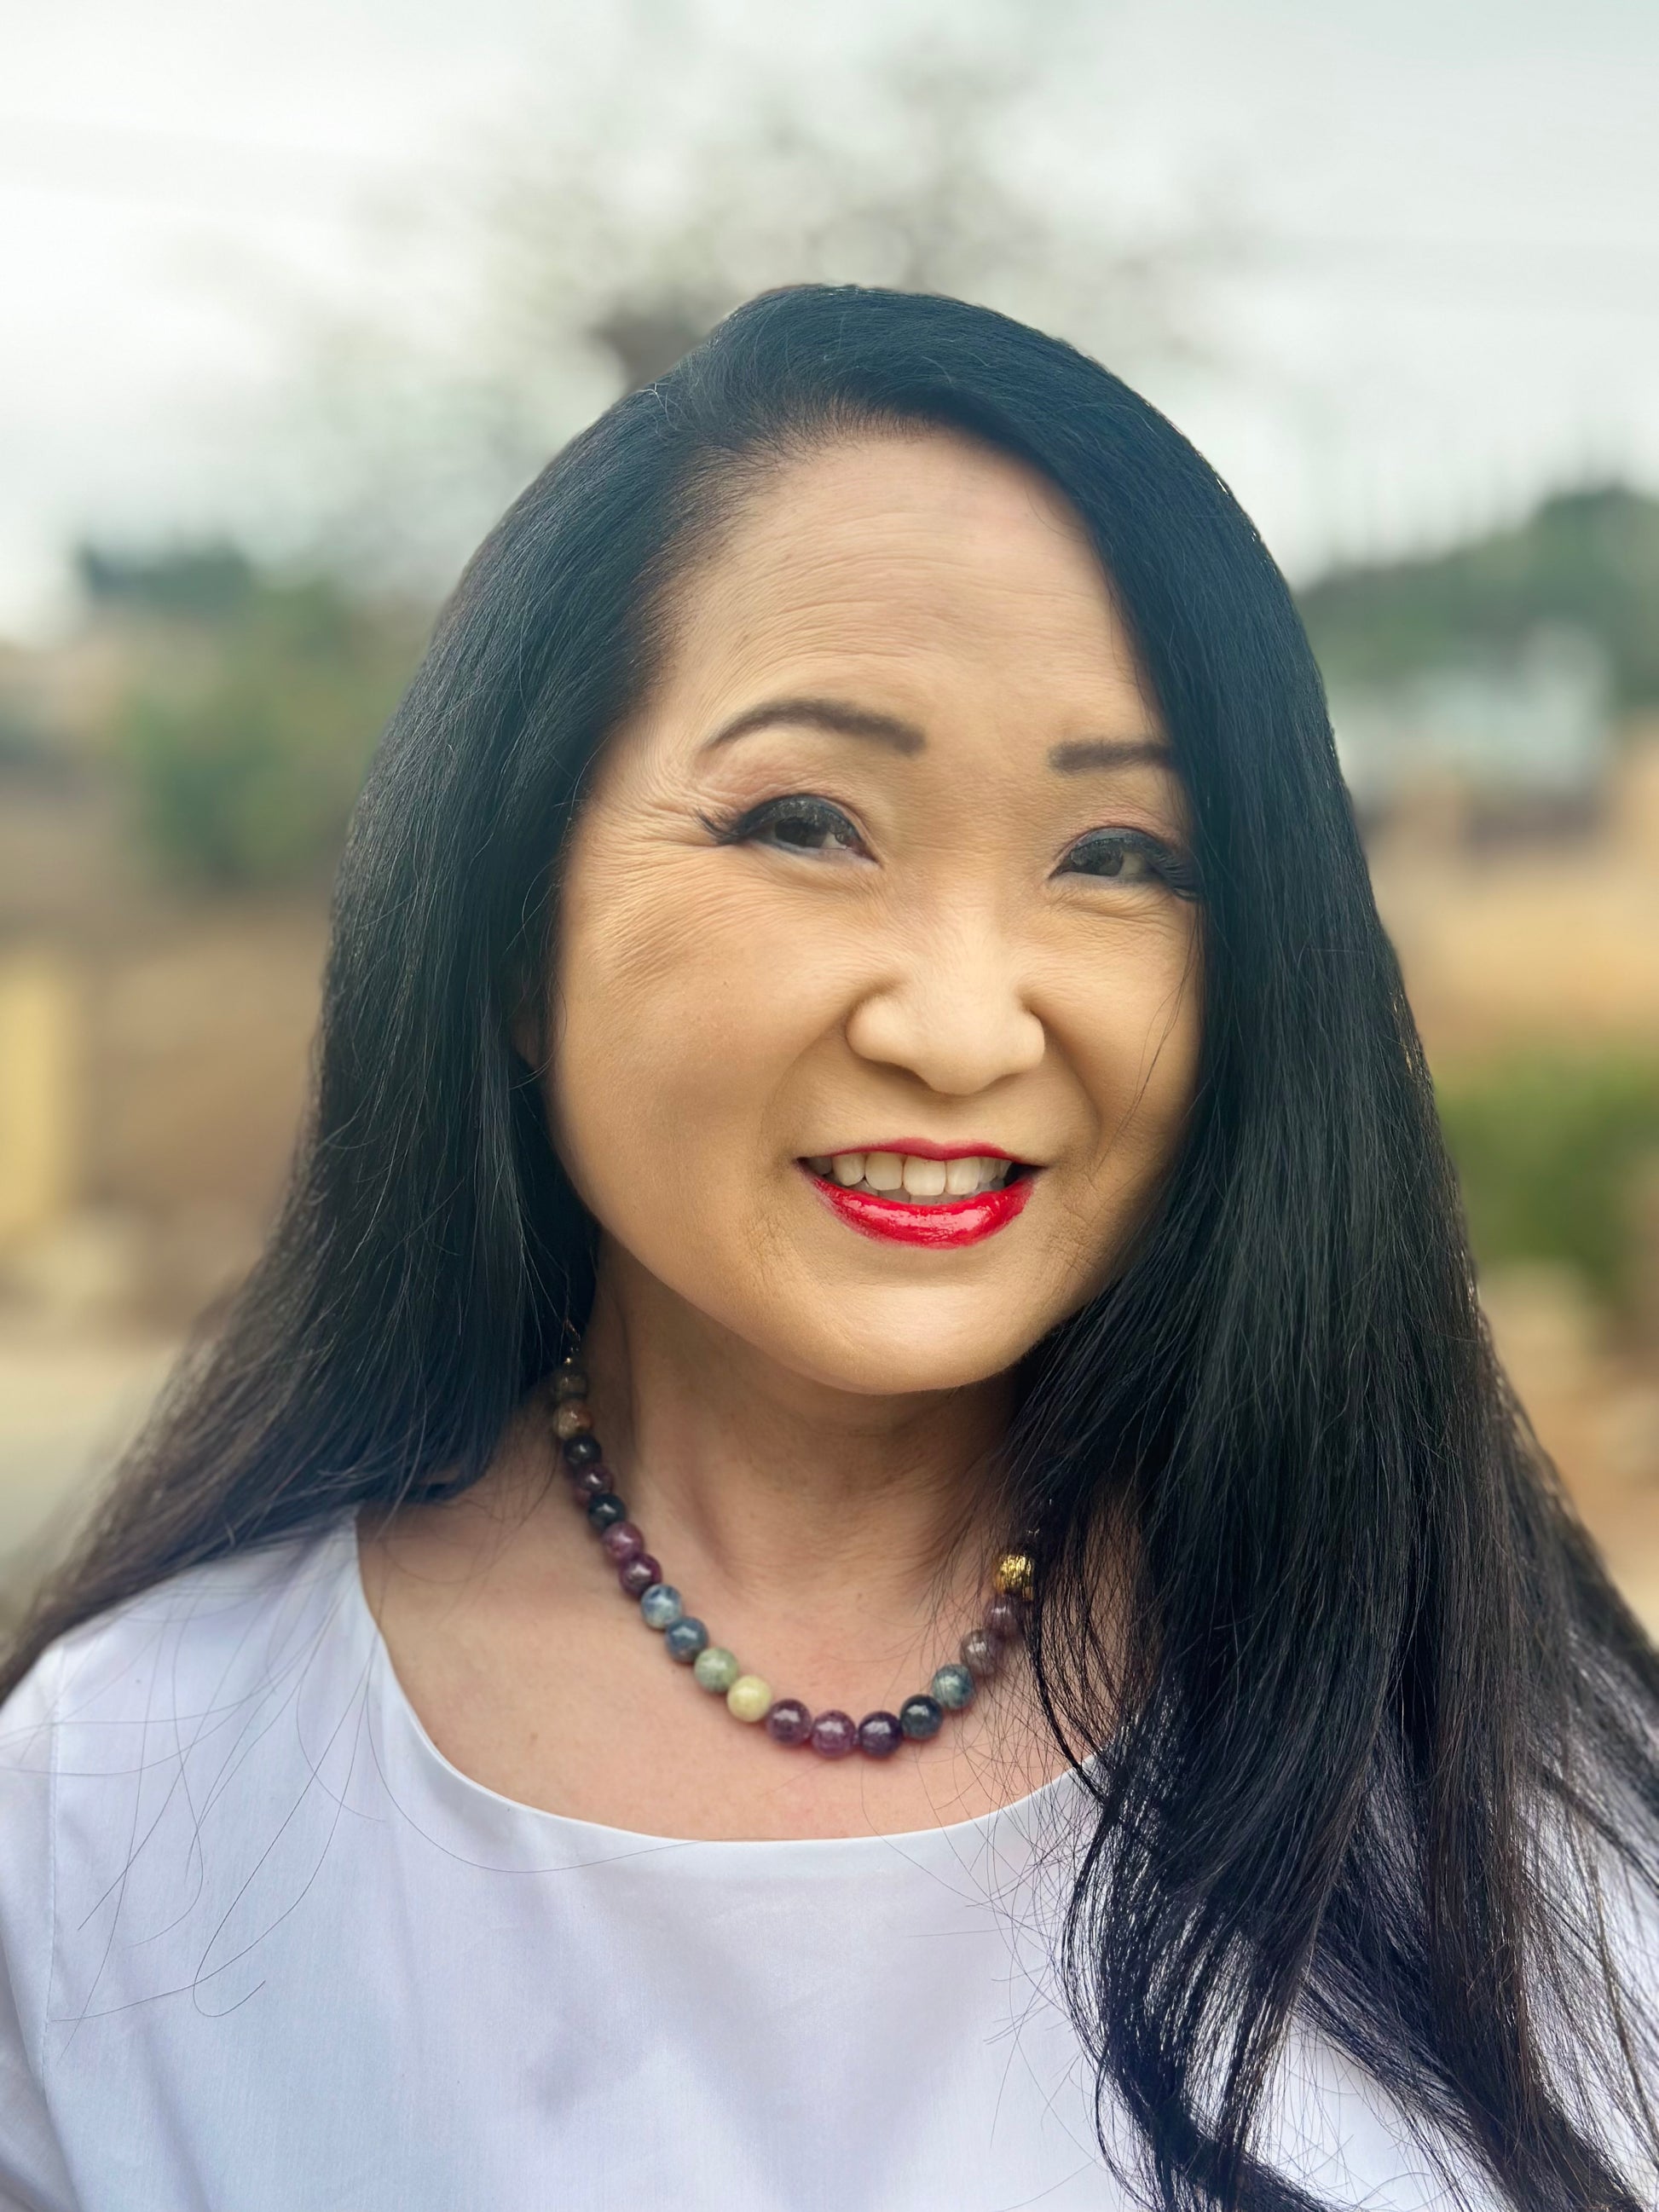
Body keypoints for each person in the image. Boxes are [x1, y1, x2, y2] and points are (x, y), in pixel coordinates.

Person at [1, 286, 1655, 2212]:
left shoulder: (1498, 1763)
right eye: (808, 822)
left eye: (1122, 856)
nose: (960, 1030)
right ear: (513, 920)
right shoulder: (126, 1802)